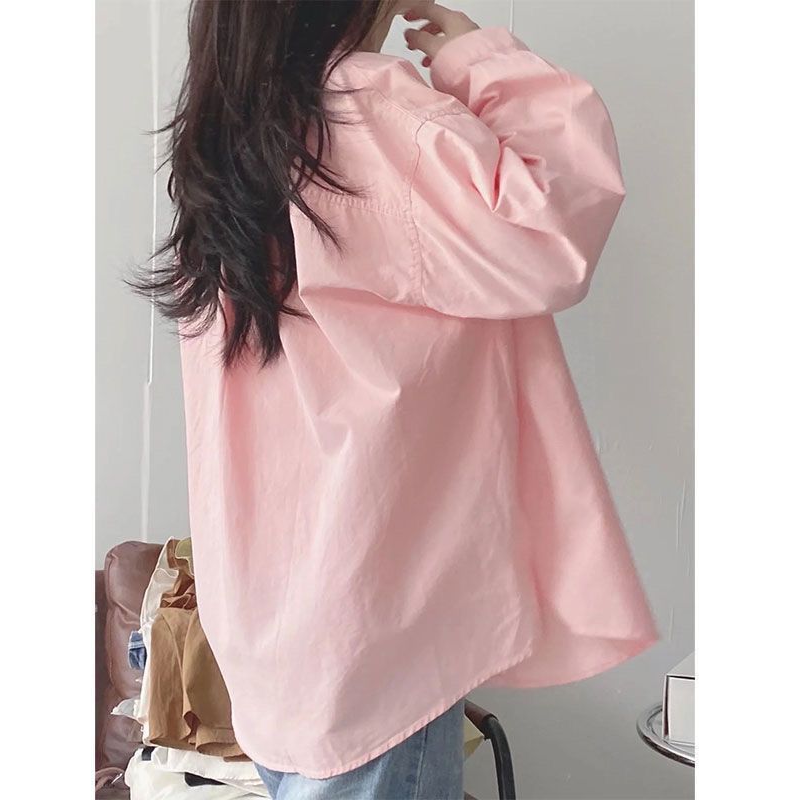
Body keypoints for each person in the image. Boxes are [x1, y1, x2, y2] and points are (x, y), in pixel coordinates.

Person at [132, 1, 658, 797]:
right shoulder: (369, 113)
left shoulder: (230, 138)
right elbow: (551, 226)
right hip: (374, 616)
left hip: (275, 621)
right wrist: (482, 60)